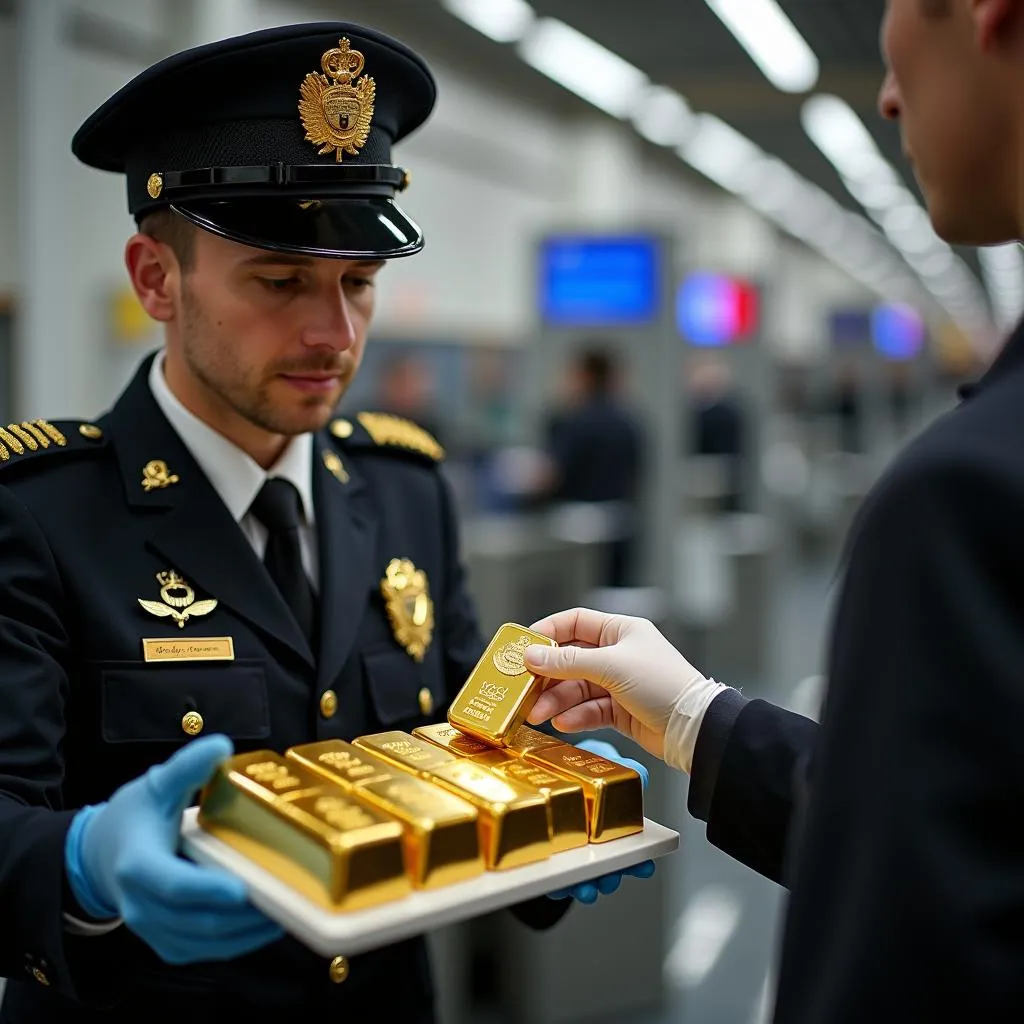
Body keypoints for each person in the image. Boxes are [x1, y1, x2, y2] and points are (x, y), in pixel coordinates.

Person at [0, 23, 647, 1024]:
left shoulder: (402, 489)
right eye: (279, 281)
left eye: (358, 283)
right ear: (155, 278)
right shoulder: (39, 515)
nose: (334, 335)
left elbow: (464, 740)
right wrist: (82, 871)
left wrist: (544, 809)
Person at [523, 1, 1024, 1019]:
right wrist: (697, 717)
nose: (884, 94)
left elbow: (908, 942)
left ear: (984, 14)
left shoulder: (968, 496)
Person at [544, 346, 645, 586]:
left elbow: (554, 474)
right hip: (619, 524)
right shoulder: (628, 423)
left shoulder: (575, 422)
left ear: (586, 376)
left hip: (577, 527)